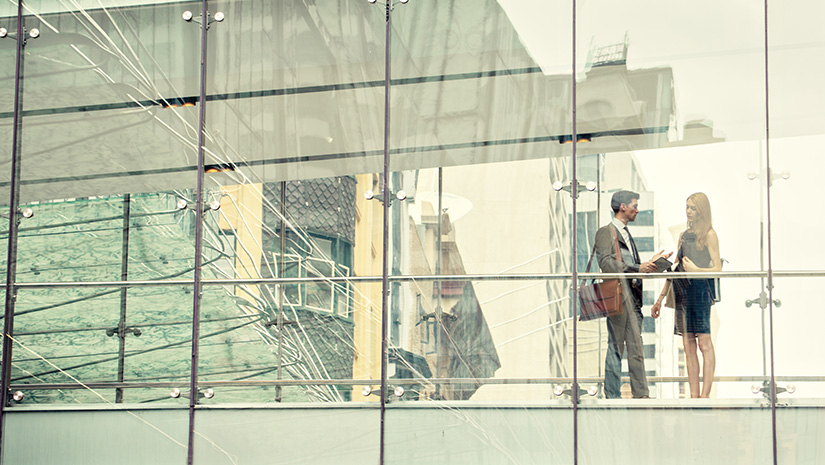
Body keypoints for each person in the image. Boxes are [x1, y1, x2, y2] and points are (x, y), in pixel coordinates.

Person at [596, 190, 672, 399]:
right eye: (634, 206)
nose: (637, 210)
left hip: (633, 299)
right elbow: (606, 263)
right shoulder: (606, 232)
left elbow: (629, 265)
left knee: (636, 348)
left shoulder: (626, 234)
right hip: (618, 298)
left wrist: (652, 263)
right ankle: (612, 395)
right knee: (616, 348)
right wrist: (638, 267)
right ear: (623, 207)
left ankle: (642, 395)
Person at [651, 192, 721, 398]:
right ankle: (694, 396)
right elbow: (675, 270)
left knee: (704, 343)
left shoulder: (709, 234)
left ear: (701, 211)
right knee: (688, 346)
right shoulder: (683, 236)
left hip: (701, 292)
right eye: (687, 207)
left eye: (693, 208)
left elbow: (718, 269)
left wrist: (697, 271)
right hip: (682, 293)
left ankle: (705, 396)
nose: (688, 211)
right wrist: (660, 299)